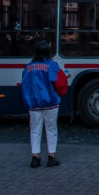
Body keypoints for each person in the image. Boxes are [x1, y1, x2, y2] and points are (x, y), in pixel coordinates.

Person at [22, 39, 67, 168]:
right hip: (50, 102)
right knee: (51, 129)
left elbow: (25, 85)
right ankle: (51, 156)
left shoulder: (29, 67)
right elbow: (60, 83)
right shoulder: (52, 65)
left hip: (34, 103)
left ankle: (35, 157)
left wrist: (28, 100)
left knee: (35, 130)